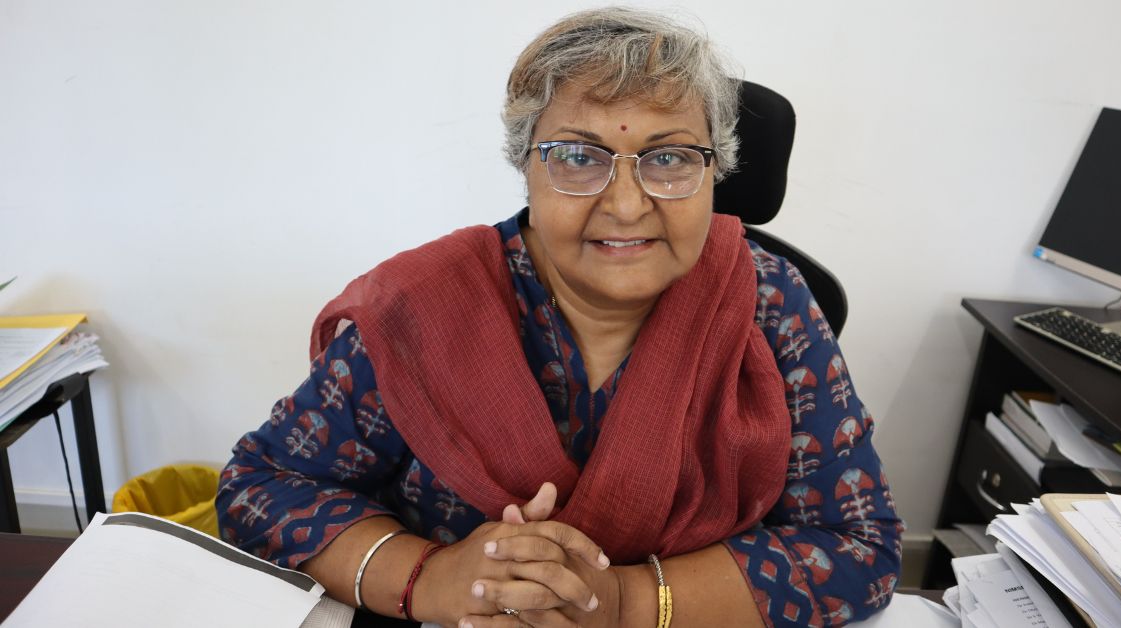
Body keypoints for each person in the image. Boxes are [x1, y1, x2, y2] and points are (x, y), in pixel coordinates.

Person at [217, 7, 903, 627]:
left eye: (668, 158)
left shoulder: (769, 302)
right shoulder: (426, 307)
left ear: (715, 171)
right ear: (525, 164)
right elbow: (262, 488)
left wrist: (624, 602)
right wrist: (431, 578)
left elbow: (857, 546)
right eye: (578, 157)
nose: (628, 204)